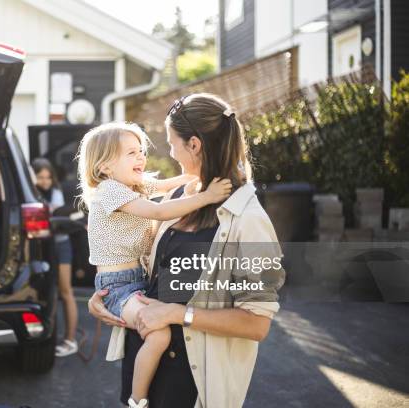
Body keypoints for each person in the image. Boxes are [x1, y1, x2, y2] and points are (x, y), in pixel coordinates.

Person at [88, 94, 286, 408]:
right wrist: (106, 300)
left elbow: (256, 324)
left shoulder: (249, 220)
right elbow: (142, 265)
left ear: (193, 145)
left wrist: (179, 314)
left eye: (171, 143)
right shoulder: (179, 197)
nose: (169, 153)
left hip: (190, 385)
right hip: (144, 365)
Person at [76, 122, 232, 408]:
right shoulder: (110, 190)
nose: (141, 158)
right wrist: (207, 197)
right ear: (105, 167)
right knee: (158, 335)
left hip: (137, 281)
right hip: (118, 286)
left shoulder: (131, 184)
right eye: (131, 153)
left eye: (141, 151)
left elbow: (165, 185)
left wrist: (194, 176)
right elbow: (159, 209)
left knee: (157, 333)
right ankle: (138, 400)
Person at [32, 157, 80, 357]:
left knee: (65, 291)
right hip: (40, 248)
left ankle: (70, 340)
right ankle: (44, 337)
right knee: (46, 294)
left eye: (48, 177)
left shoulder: (57, 193)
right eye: (40, 177)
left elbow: (57, 219)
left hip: (59, 246)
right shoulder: (31, 193)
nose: (44, 181)